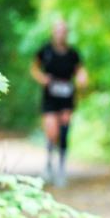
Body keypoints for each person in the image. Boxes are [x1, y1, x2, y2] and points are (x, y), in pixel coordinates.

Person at [30, 19, 88, 186]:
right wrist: (42, 79)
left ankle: (61, 168)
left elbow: (80, 70)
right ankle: (48, 164)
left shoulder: (72, 53)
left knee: (64, 130)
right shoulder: (45, 50)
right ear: (53, 32)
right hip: (50, 95)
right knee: (51, 131)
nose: (60, 34)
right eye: (57, 30)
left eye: (63, 31)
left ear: (66, 33)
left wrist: (82, 78)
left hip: (67, 95)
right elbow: (34, 68)